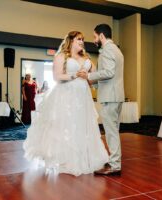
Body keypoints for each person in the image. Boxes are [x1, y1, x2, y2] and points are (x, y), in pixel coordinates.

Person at [23, 31, 109, 176]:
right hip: (67, 96)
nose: (82, 42)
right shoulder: (61, 56)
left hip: (84, 97)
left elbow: (94, 77)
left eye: (83, 39)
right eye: (78, 39)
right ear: (71, 41)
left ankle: (86, 158)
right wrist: (74, 75)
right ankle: (67, 159)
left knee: (84, 125)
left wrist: (90, 77)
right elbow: (56, 77)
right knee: (68, 125)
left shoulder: (87, 57)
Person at [77, 24, 124, 176]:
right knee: (113, 131)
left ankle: (115, 165)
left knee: (111, 132)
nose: (94, 39)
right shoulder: (116, 50)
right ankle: (114, 161)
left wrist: (89, 76)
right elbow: (111, 75)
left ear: (102, 36)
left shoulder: (108, 50)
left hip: (110, 97)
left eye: (95, 36)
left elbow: (109, 72)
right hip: (115, 95)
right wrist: (92, 81)